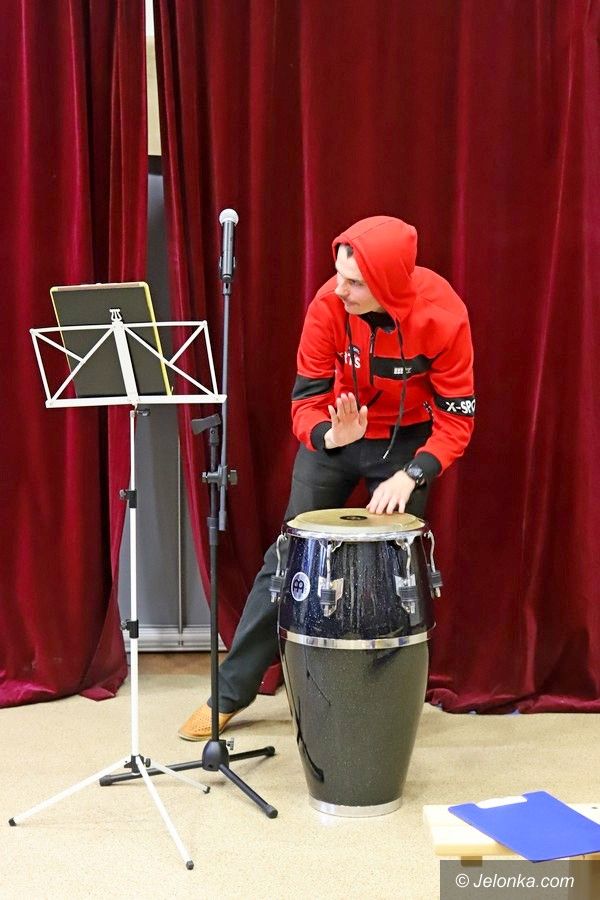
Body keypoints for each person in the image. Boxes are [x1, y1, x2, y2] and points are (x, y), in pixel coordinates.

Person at [178, 215, 475, 740]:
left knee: (392, 575)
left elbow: (457, 421)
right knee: (288, 558)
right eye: (339, 274)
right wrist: (330, 437)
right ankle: (229, 693)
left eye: (354, 282)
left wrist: (412, 474)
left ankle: (380, 699)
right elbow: (305, 403)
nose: (340, 288)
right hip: (338, 434)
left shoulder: (444, 315)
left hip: (406, 446)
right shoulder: (327, 306)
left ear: (387, 283)